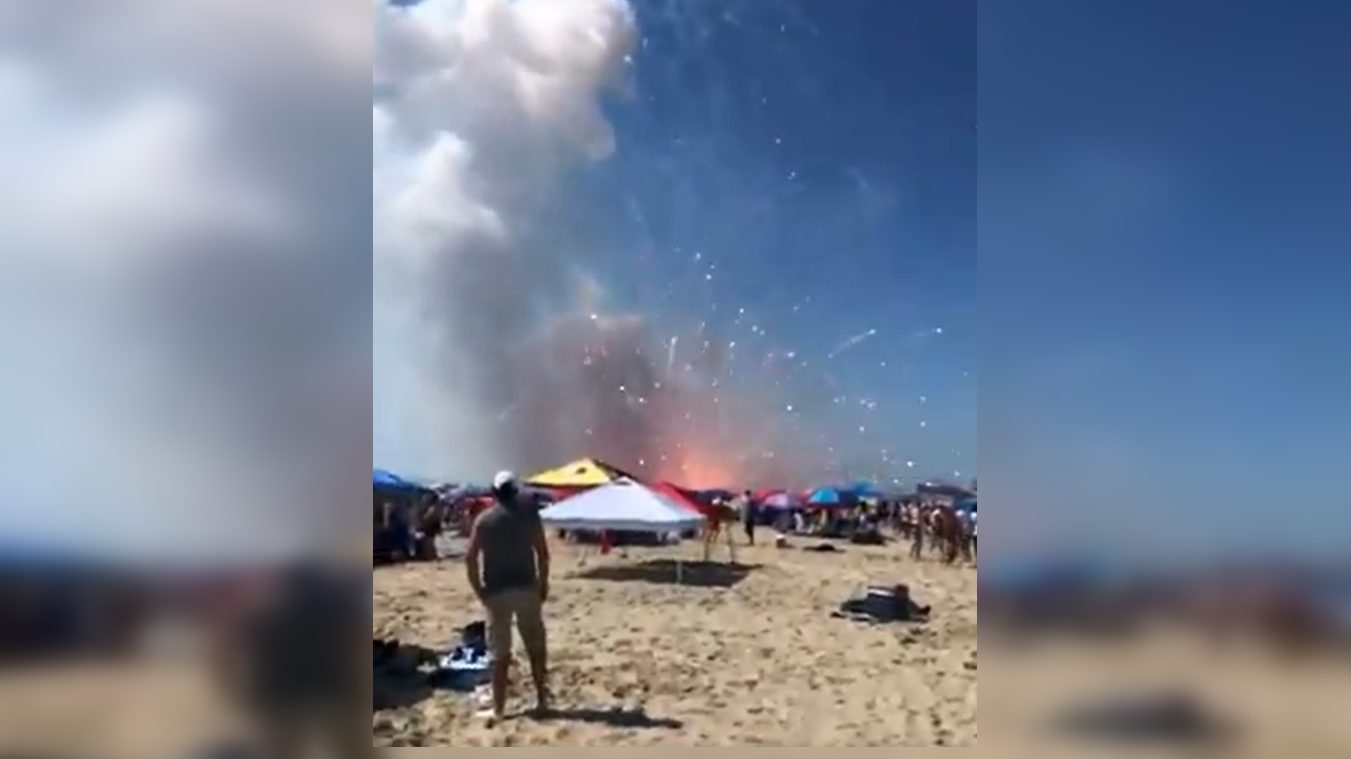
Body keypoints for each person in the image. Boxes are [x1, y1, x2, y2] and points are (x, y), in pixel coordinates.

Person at [466, 471, 550, 720]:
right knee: (535, 647)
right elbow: (543, 555)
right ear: (515, 492)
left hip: (497, 592)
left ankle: (500, 709)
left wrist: (479, 589)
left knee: (499, 654)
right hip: (526, 587)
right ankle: (542, 700)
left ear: (494, 493)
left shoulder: (483, 520)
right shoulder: (529, 517)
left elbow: (470, 559)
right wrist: (543, 584)